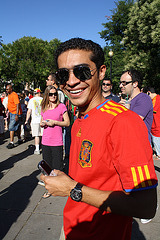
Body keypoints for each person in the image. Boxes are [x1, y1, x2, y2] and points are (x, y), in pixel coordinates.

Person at [40, 38, 157, 240]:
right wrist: (67, 180)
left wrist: (72, 189)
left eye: (82, 71)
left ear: (101, 72)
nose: (71, 81)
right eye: (63, 74)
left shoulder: (123, 122)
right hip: (72, 227)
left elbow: (145, 206)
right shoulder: (79, 117)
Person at [40, 86, 70, 171]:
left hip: (57, 142)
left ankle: (57, 184)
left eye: (55, 94)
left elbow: (67, 123)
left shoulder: (61, 106)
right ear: (47, 95)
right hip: (45, 141)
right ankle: (49, 183)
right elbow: (41, 121)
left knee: (57, 168)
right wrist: (42, 124)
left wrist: (55, 122)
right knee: (47, 168)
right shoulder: (44, 107)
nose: (53, 96)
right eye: (51, 94)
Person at [119, 69, 153, 143]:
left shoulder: (144, 98)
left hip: (140, 146)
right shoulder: (126, 100)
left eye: (124, 83)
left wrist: (125, 110)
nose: (120, 85)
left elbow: (135, 121)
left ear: (135, 84)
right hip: (128, 143)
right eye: (120, 83)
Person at [25, 88, 43, 154]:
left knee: (36, 135)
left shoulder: (31, 100)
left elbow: (29, 111)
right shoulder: (43, 99)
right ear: (39, 93)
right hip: (42, 119)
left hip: (35, 120)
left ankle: (37, 149)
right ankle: (44, 148)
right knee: (43, 134)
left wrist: (26, 120)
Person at [6, 85, 22, 149]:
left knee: (11, 127)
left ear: (11, 89)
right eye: (6, 89)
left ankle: (11, 142)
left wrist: (16, 114)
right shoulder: (9, 95)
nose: (6, 91)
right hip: (11, 113)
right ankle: (19, 139)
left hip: (15, 113)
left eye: (8, 89)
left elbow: (17, 104)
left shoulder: (14, 95)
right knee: (17, 127)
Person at [147, 87, 160, 159]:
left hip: (156, 124)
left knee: (156, 140)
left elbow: (153, 109)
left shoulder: (156, 99)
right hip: (155, 124)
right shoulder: (155, 99)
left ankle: (159, 155)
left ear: (149, 92)